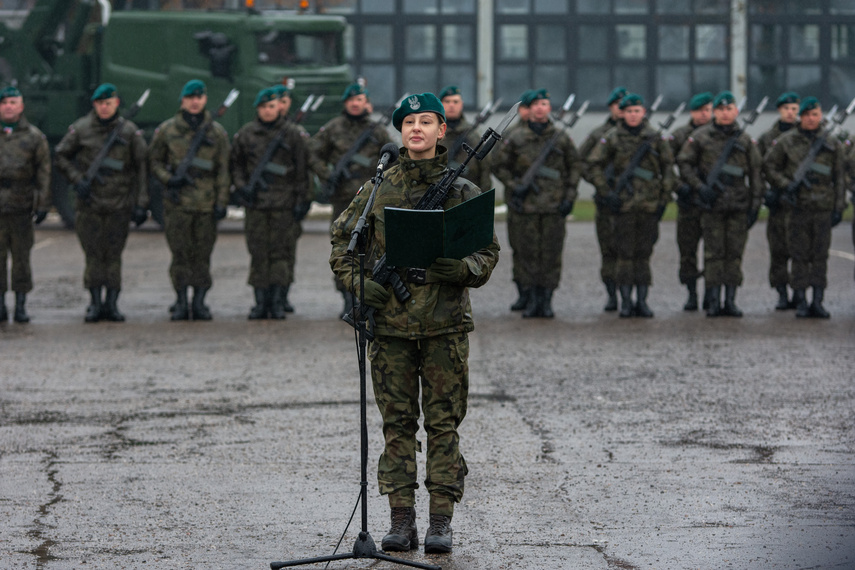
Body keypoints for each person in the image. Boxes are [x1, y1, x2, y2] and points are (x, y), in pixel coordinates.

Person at [329, 92, 500, 554]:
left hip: (445, 327)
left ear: (443, 130)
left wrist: (462, 270)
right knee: (397, 426)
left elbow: (487, 252)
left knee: (444, 425)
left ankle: (440, 520)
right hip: (390, 330)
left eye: (427, 121)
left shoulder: (462, 191)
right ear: (399, 132)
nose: (417, 129)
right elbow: (342, 246)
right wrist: (363, 285)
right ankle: (400, 518)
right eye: (409, 123)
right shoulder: (375, 190)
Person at [55, 83, 148, 323]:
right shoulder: (81, 129)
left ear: (116, 103)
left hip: (119, 205)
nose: (104, 108)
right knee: (94, 257)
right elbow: (61, 155)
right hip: (90, 205)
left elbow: (141, 167)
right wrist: (77, 179)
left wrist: (141, 202)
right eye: (100, 104)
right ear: (94, 105)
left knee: (114, 257)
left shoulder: (128, 132)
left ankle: (112, 304)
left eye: (108, 103)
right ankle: (95, 304)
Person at [493, 88, 580, 318]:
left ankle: (547, 299)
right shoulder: (516, 137)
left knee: (551, 254)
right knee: (526, 253)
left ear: (549, 108)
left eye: (545, 104)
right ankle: (530, 298)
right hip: (525, 208)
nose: (541, 108)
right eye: (536, 104)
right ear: (528, 109)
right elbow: (499, 165)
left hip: (553, 207)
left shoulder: (560, 138)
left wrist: (569, 198)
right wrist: (514, 186)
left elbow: (574, 168)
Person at [148, 79, 230, 321]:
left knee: (202, 256)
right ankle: (181, 300)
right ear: (182, 100)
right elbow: (153, 161)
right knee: (180, 255)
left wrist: (222, 202)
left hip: (206, 205)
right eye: (190, 97)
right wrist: (168, 178)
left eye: (199, 97)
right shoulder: (167, 130)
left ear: (204, 100)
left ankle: (200, 302)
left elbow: (224, 171)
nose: (195, 102)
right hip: (178, 205)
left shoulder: (216, 133)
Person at [309, 82, 393, 317]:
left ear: (366, 103)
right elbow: (313, 153)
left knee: (370, 248)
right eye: (351, 100)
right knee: (345, 248)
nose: (356, 104)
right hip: (343, 200)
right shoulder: (333, 128)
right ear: (346, 103)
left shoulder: (376, 130)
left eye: (360, 99)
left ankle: (365, 297)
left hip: (372, 200)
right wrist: (328, 174)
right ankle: (346, 297)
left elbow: (392, 157)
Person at [587, 93, 675, 318]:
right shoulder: (613, 137)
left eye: (637, 111)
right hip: (622, 207)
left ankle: (642, 301)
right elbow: (593, 164)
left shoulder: (655, 138)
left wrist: (663, 199)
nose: (633, 115)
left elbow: (667, 169)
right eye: (629, 111)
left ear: (643, 112)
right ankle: (625, 301)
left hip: (648, 205)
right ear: (622, 114)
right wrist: (606, 193)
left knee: (644, 255)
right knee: (624, 256)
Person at [677, 91, 763, 317]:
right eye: (721, 110)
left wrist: (755, 206)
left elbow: (755, 174)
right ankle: (713, 300)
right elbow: (684, 163)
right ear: (715, 112)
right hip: (711, 205)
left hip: (738, 206)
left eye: (729, 109)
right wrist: (699, 187)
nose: (725, 114)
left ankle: (731, 300)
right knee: (714, 254)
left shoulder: (745, 140)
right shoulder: (701, 137)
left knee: (734, 255)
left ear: (736, 111)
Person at [230, 87, 309, 319]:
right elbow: (236, 164)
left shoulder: (292, 134)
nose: (268, 111)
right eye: (263, 107)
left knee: (280, 255)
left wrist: (302, 200)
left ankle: (276, 301)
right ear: (258, 109)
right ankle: (260, 302)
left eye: (272, 106)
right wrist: (242, 186)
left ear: (279, 108)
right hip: (256, 205)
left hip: (283, 205)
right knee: (258, 254)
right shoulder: (246, 134)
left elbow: (302, 170)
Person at [763, 97, 846, 318]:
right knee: (798, 255)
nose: (811, 119)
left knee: (820, 256)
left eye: (816, 114)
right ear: (801, 117)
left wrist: (839, 207)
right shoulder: (787, 141)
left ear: (821, 116)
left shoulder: (832, 144)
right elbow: (769, 166)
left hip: (822, 206)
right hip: (796, 207)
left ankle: (817, 300)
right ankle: (800, 299)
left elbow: (839, 178)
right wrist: (784, 184)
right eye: (808, 115)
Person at [0, 86, 50, 323]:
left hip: (21, 207)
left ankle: (21, 305)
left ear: (21, 107)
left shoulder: (33, 137)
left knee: (21, 259)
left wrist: (42, 205)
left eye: (13, 102)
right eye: (4, 103)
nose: (8, 106)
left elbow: (43, 173)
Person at [580, 86, 627, 311]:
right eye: (619, 105)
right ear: (611, 107)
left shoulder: (642, 133)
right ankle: (612, 295)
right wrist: (601, 185)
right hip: (606, 201)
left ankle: (630, 296)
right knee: (608, 250)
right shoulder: (599, 134)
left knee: (631, 251)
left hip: (632, 201)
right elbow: (582, 162)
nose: (623, 109)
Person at [668, 91, 713, 311]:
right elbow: (664, 165)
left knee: (714, 252)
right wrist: (678, 187)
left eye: (707, 110)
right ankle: (692, 293)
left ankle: (711, 294)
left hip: (714, 202)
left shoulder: (721, 134)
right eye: (699, 110)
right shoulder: (680, 135)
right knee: (687, 251)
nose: (704, 114)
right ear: (692, 112)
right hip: (688, 202)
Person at [757, 91, 800, 310]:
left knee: (801, 250)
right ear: (779, 110)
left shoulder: (807, 135)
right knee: (779, 250)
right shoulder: (767, 138)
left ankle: (800, 293)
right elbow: (758, 169)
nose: (790, 113)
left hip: (801, 202)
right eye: (786, 109)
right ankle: (782, 293)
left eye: (794, 109)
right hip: (778, 203)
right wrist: (766, 193)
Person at [504, 89, 533, 311]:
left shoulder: (554, 136)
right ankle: (523, 293)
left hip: (547, 203)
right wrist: (514, 186)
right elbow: (497, 164)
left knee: (545, 254)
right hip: (519, 203)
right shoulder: (511, 136)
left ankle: (541, 297)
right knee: (521, 250)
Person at [438, 85, 492, 191]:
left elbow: (485, 168)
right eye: (447, 101)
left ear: (461, 104)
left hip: (469, 193)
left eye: (455, 101)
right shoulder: (434, 133)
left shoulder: (472, 134)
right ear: (440, 104)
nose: (451, 105)